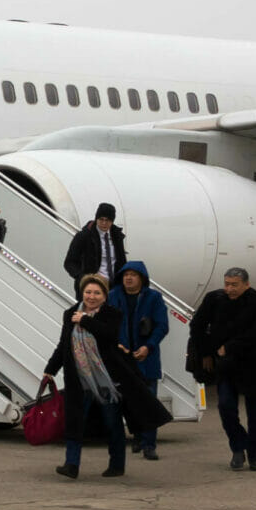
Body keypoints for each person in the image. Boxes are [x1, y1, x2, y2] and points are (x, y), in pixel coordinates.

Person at [39, 274, 141, 479]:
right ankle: (71, 464)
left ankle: (117, 463)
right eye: (88, 292)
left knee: (112, 421)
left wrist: (85, 320)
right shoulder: (70, 313)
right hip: (79, 378)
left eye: (96, 293)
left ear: (104, 296)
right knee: (75, 420)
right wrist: (51, 368)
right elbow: (63, 345)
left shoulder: (112, 314)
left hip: (105, 379)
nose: (91, 296)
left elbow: (109, 336)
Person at [189, 267, 256, 470]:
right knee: (226, 407)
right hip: (225, 364)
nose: (229, 289)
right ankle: (238, 447)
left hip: (254, 362)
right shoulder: (214, 299)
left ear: (246, 284)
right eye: (227, 283)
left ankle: (254, 455)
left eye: (234, 285)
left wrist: (228, 346)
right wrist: (206, 353)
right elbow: (197, 326)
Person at [113, 262, 172, 460]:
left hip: (146, 357)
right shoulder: (113, 296)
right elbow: (107, 323)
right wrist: (117, 345)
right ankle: (137, 434)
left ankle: (149, 444)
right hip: (122, 357)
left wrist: (149, 346)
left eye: (133, 275)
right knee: (127, 402)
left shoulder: (153, 298)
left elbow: (162, 326)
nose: (128, 278)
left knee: (148, 401)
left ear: (142, 278)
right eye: (125, 275)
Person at [63, 203, 127, 286]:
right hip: (91, 285)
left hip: (114, 287)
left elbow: (121, 262)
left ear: (112, 221)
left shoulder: (117, 236)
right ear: (96, 219)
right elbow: (69, 262)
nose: (104, 223)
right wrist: (83, 278)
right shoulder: (83, 236)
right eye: (101, 219)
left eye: (107, 220)